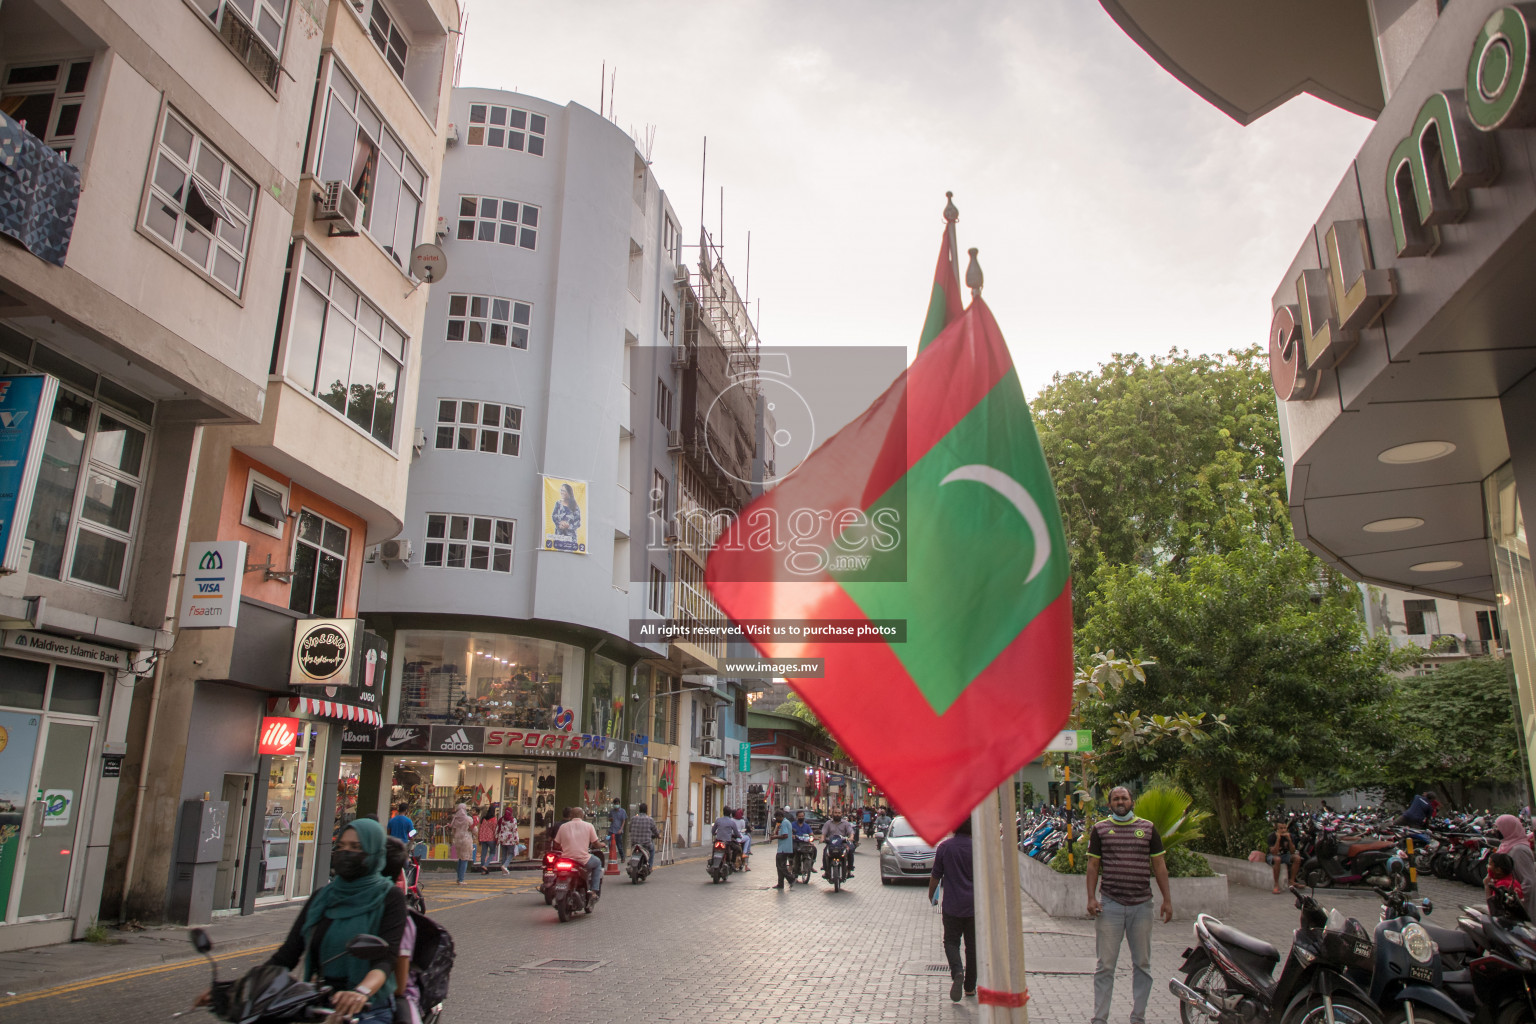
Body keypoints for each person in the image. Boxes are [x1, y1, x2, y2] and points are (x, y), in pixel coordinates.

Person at [233, 819, 404, 1023]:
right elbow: (286, 957)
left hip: (368, 1010)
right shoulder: (322, 897)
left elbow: (385, 960)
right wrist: (239, 989)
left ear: (373, 852)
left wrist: (361, 992)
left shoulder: (389, 897)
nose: (345, 852)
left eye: (356, 847)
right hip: (318, 1005)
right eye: (340, 846)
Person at [1086, 786, 1173, 1024]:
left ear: (1132, 801)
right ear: (1109, 803)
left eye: (1124, 798)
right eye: (1116, 798)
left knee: (1142, 965)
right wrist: (1091, 898)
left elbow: (1159, 865)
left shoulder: (1148, 828)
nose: (1120, 801)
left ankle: (1138, 1017)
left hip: (1142, 906)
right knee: (1105, 966)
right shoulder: (1100, 829)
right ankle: (1100, 1018)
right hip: (1110, 905)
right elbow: (1093, 866)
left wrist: (1167, 899)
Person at [929, 818, 975, 1002]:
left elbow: (935, 875)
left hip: (952, 905)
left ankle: (957, 972)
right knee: (972, 947)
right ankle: (970, 987)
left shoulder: (945, 847)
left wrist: (932, 895)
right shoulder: (978, 848)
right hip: (974, 906)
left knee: (951, 941)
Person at [554, 806, 604, 899]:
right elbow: (596, 844)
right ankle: (594, 890)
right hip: (583, 860)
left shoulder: (563, 827)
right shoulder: (589, 826)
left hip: (566, 859)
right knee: (597, 863)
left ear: (571, 815)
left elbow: (556, 844)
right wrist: (602, 845)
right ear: (582, 815)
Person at [1494, 813, 1536, 921]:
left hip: (1519, 904)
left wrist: (1517, 900)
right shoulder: (1505, 845)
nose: (1495, 831)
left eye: (1498, 828)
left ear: (1508, 828)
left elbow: (1529, 882)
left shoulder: (1519, 850)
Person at [1487, 852, 1527, 918]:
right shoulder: (1515, 881)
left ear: (1498, 870)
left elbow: (1493, 909)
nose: (1487, 867)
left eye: (1489, 864)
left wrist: (1486, 885)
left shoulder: (1501, 885)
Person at [820, 811, 854, 878]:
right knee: (825, 852)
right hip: (831, 843)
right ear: (833, 814)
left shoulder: (845, 823)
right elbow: (823, 833)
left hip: (842, 843)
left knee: (850, 851)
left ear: (841, 814)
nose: (837, 814)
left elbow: (851, 832)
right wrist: (822, 839)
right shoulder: (828, 823)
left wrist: (851, 837)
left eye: (839, 813)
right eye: (835, 813)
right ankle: (826, 870)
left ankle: (849, 870)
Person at [1267, 819, 1297, 893]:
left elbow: (1292, 851)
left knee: (1297, 858)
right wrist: (1278, 839)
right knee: (1277, 859)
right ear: (1277, 829)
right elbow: (1274, 852)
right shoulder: (1272, 836)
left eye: (1284, 828)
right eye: (1281, 828)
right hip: (1272, 856)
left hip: (1284, 855)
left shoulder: (1289, 836)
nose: (1283, 830)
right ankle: (1276, 885)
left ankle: (1292, 881)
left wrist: (1289, 840)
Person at [627, 801, 659, 870]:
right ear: (646, 810)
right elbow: (655, 831)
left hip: (634, 843)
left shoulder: (633, 818)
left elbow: (630, 830)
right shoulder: (650, 820)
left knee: (633, 851)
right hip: (645, 844)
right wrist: (658, 836)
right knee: (652, 849)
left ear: (639, 810)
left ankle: (632, 861)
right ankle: (650, 866)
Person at [772, 810, 795, 890]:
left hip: (783, 849)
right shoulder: (784, 823)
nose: (776, 819)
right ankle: (780, 883)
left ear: (780, 816)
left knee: (781, 866)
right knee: (779, 866)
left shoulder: (785, 823)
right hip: (783, 848)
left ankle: (791, 879)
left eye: (776, 817)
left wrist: (775, 837)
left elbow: (785, 835)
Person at [495, 806, 519, 872]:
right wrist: (517, 839)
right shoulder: (513, 820)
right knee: (511, 853)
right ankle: (505, 865)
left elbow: (497, 829)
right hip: (510, 839)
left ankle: (503, 869)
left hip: (502, 839)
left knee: (504, 854)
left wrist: (497, 838)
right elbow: (515, 830)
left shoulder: (501, 819)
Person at [476, 805, 499, 872]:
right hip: (491, 838)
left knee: (483, 853)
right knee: (492, 852)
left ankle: (482, 868)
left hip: (483, 838)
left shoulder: (483, 819)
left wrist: (479, 838)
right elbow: (495, 829)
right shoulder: (494, 819)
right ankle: (485, 865)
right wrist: (496, 838)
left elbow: (480, 828)